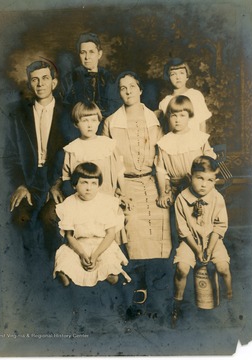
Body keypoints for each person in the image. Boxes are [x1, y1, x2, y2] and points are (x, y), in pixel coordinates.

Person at [103, 71, 172, 318]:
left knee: (161, 222)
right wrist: (117, 193)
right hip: (125, 185)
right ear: (119, 93)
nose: (128, 91)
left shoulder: (154, 119)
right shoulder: (111, 122)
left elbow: (162, 157)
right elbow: (108, 160)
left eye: (132, 86)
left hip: (153, 182)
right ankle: (139, 288)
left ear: (140, 89)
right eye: (123, 88)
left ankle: (160, 295)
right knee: (131, 227)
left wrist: (164, 190)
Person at [5, 60, 76, 259]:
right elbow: (9, 156)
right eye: (34, 80)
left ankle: (55, 269)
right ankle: (28, 275)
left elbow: (74, 154)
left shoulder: (69, 113)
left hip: (58, 179)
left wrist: (58, 183)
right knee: (19, 218)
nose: (40, 84)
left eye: (45, 78)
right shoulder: (17, 114)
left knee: (50, 219)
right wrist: (20, 185)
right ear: (29, 84)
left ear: (54, 82)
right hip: (30, 181)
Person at [170, 156, 232, 327]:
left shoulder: (217, 198)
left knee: (223, 268)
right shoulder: (182, 199)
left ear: (215, 180)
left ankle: (230, 301)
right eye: (200, 178)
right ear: (190, 177)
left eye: (210, 180)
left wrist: (210, 249)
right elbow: (183, 230)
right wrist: (197, 250)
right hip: (190, 242)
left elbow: (220, 226)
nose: (204, 184)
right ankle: (177, 305)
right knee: (181, 268)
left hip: (213, 240)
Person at [53, 162, 131, 287]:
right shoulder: (70, 203)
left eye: (93, 183)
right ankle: (66, 276)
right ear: (74, 185)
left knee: (110, 268)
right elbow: (69, 236)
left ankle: (109, 275)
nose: (89, 188)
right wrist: (82, 254)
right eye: (84, 183)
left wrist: (95, 255)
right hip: (78, 246)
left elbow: (110, 235)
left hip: (101, 245)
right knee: (65, 263)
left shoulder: (106, 202)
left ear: (99, 185)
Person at [156, 95, 216, 209]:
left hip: (199, 187)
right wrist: (163, 193)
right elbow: (161, 171)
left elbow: (210, 164)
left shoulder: (198, 137)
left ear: (189, 116)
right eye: (174, 115)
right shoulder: (164, 142)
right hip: (175, 189)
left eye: (182, 115)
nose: (178, 120)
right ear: (168, 117)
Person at [55, 100, 126, 197]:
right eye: (85, 121)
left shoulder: (108, 145)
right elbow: (67, 178)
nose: (90, 125)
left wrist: (123, 193)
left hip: (106, 197)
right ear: (76, 124)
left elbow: (119, 171)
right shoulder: (72, 149)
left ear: (98, 121)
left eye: (93, 120)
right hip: (82, 200)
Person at [60, 32, 118, 120]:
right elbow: (64, 109)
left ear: (99, 54)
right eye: (83, 52)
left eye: (91, 52)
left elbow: (114, 107)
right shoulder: (69, 79)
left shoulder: (108, 78)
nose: (87, 57)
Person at [158, 58, 212, 133]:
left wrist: (202, 143)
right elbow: (166, 131)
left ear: (187, 76)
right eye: (173, 74)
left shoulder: (195, 95)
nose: (178, 77)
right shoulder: (164, 102)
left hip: (195, 141)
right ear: (169, 78)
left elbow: (202, 124)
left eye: (181, 73)